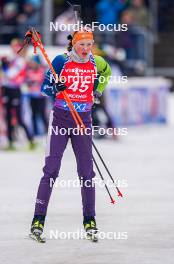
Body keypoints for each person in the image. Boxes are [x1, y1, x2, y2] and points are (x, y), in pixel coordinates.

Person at [30, 28, 111, 239]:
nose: (85, 49)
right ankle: (38, 220)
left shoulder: (96, 62)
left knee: (86, 173)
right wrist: (56, 88)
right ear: (73, 44)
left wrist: (98, 90)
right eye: (81, 44)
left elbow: (107, 73)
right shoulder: (60, 61)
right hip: (60, 119)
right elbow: (44, 88)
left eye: (89, 44)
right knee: (51, 170)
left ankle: (89, 220)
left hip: (83, 120)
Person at [1, 38, 35, 150]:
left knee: (19, 117)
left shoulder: (20, 60)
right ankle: (10, 142)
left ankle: (31, 141)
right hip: (7, 89)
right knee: (8, 117)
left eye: (16, 46)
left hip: (16, 90)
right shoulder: (11, 58)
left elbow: (11, 74)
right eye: (12, 45)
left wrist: (4, 66)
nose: (13, 48)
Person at [26, 55, 48, 135]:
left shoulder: (42, 71)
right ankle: (35, 133)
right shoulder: (29, 71)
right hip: (32, 96)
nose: (32, 64)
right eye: (32, 62)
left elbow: (44, 81)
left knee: (42, 114)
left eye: (34, 62)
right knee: (34, 115)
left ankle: (47, 131)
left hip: (41, 96)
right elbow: (27, 83)